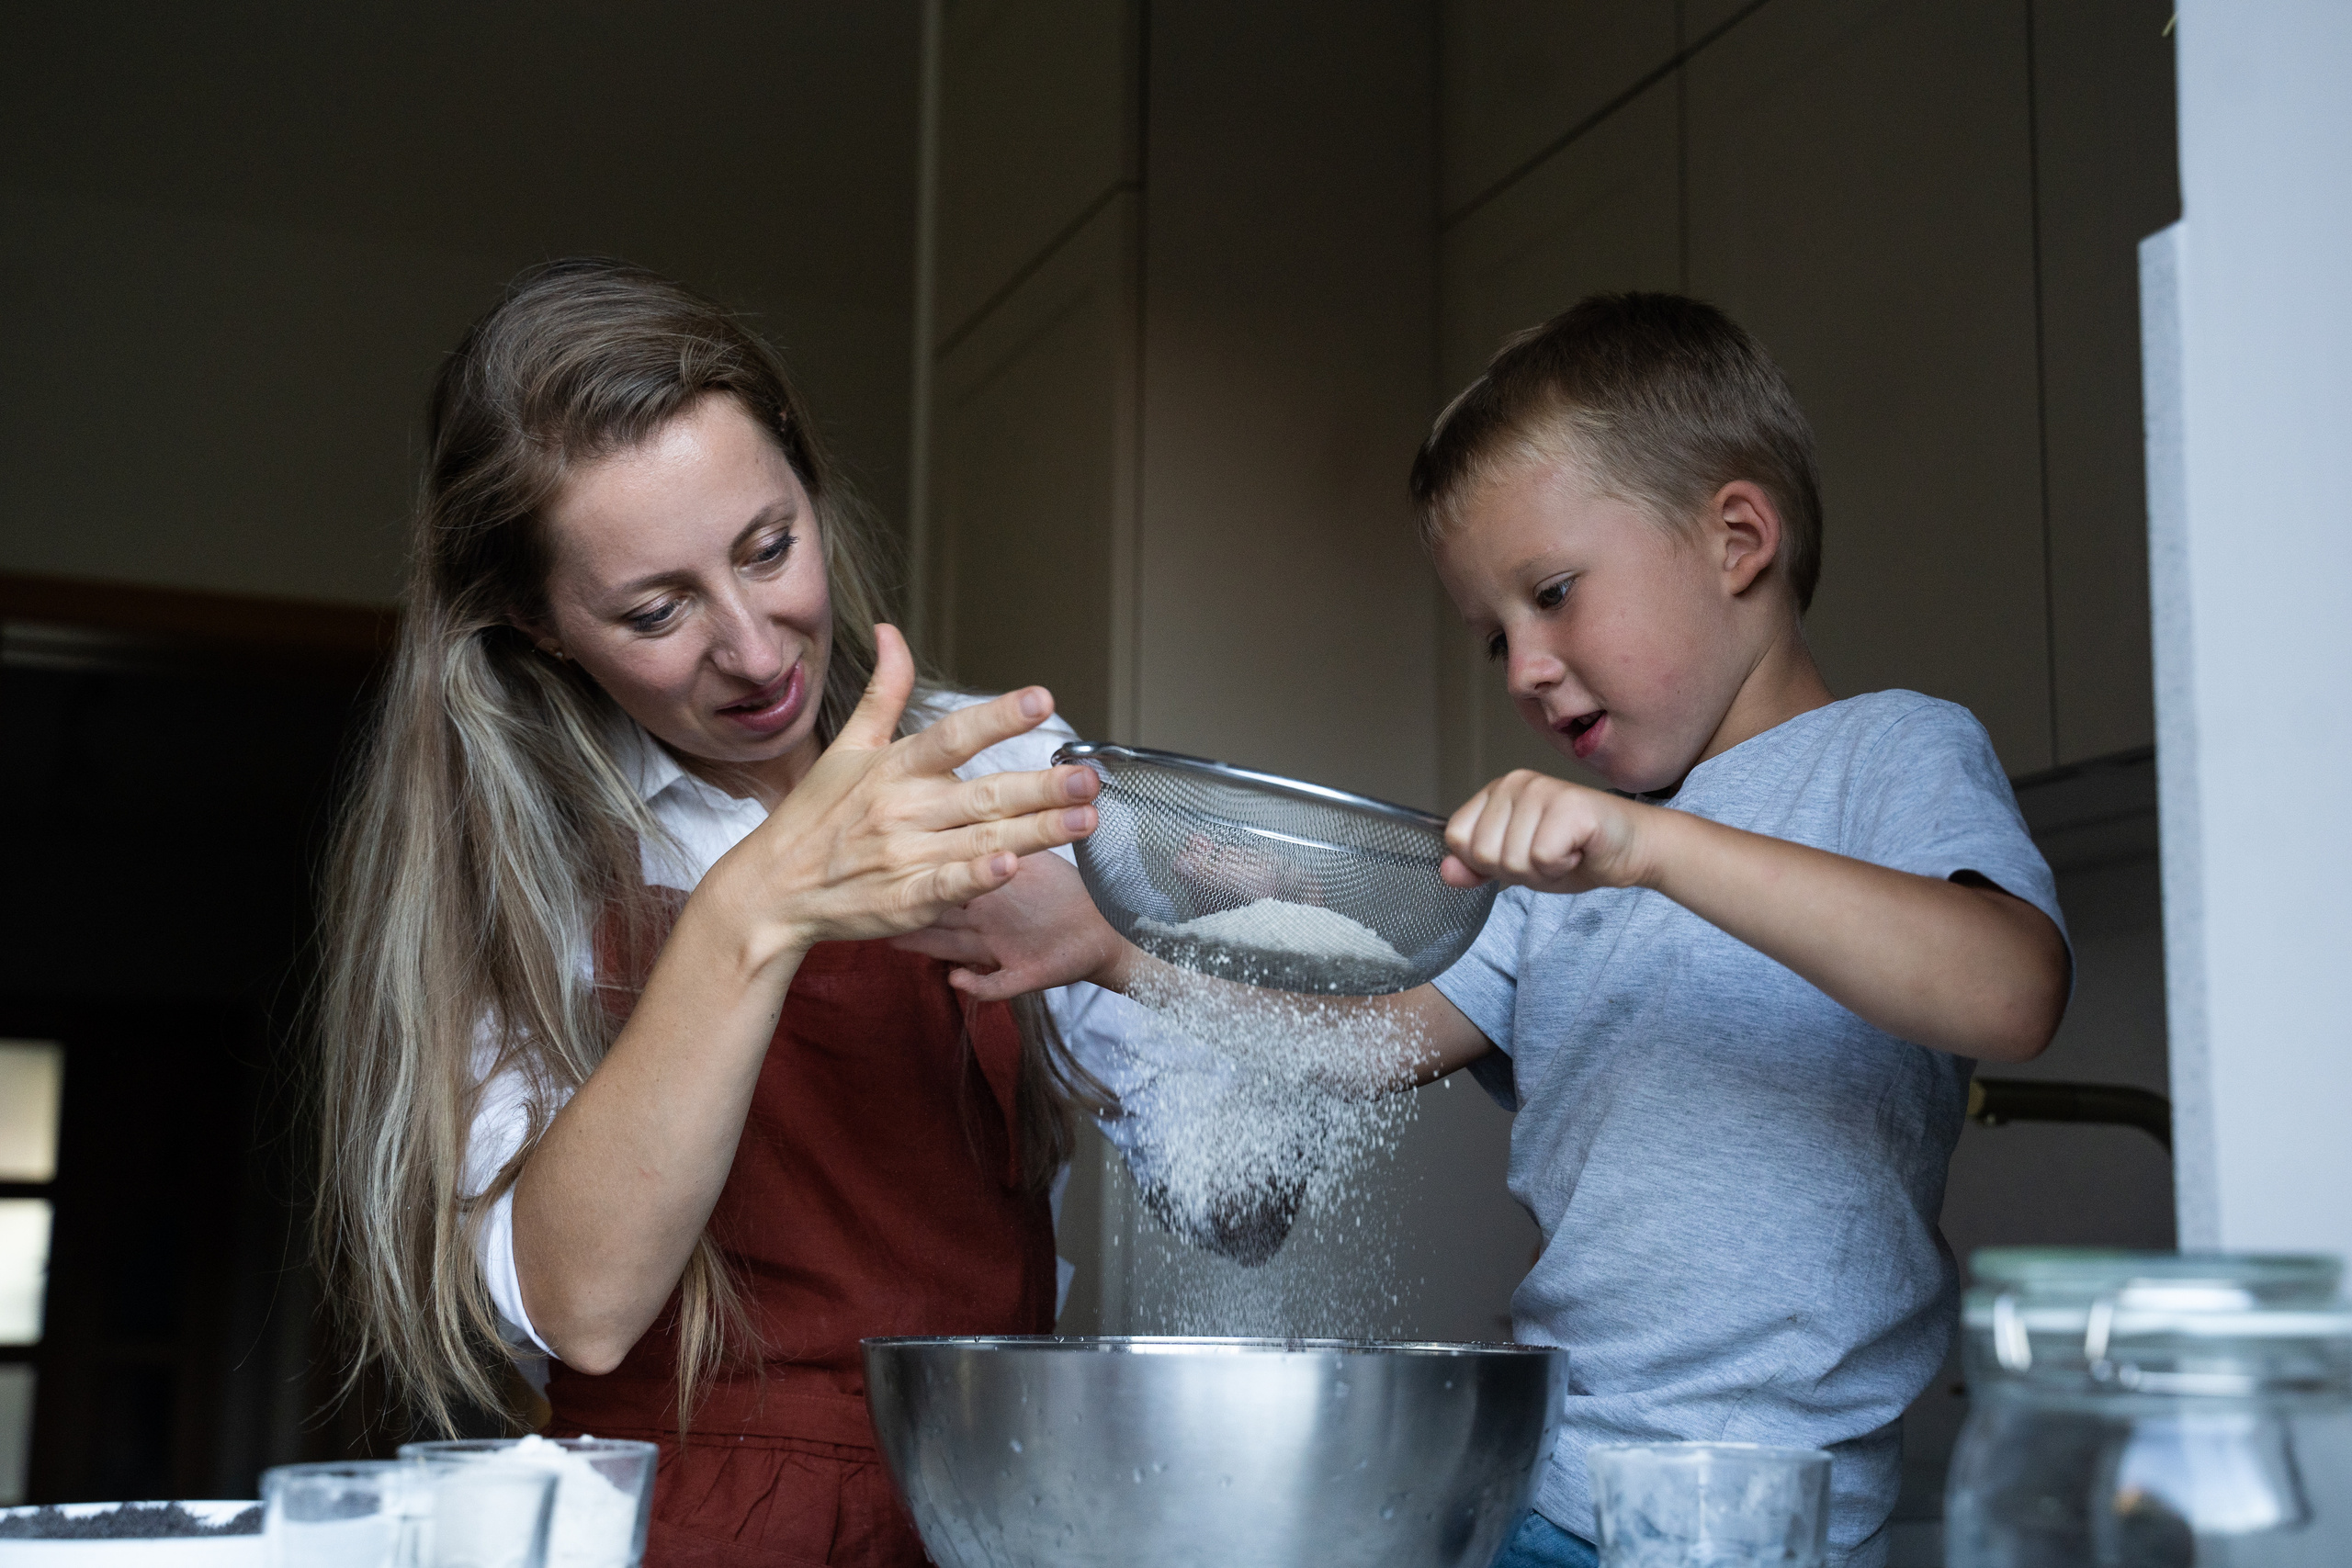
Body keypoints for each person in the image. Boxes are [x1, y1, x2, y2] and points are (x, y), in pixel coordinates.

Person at [921, 294, 2072, 1568]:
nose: (1524, 665)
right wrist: (1120, 954)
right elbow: (1365, 1048)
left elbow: (2011, 989)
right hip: (1541, 1483)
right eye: (1494, 637)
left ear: (1738, 537)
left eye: (1555, 594)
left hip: (1760, 1516)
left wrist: (1651, 846)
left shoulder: (1889, 754)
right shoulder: (1562, 869)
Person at [311, 258, 1256, 1568]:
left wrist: (1140, 951)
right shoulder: (520, 881)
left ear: (812, 490)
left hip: (1002, 1506)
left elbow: (1249, 1210)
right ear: (536, 623)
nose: (755, 653)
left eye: (770, 549)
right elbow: (582, 1310)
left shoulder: (988, 782)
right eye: (655, 609)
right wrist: (759, 905)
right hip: (695, 1525)